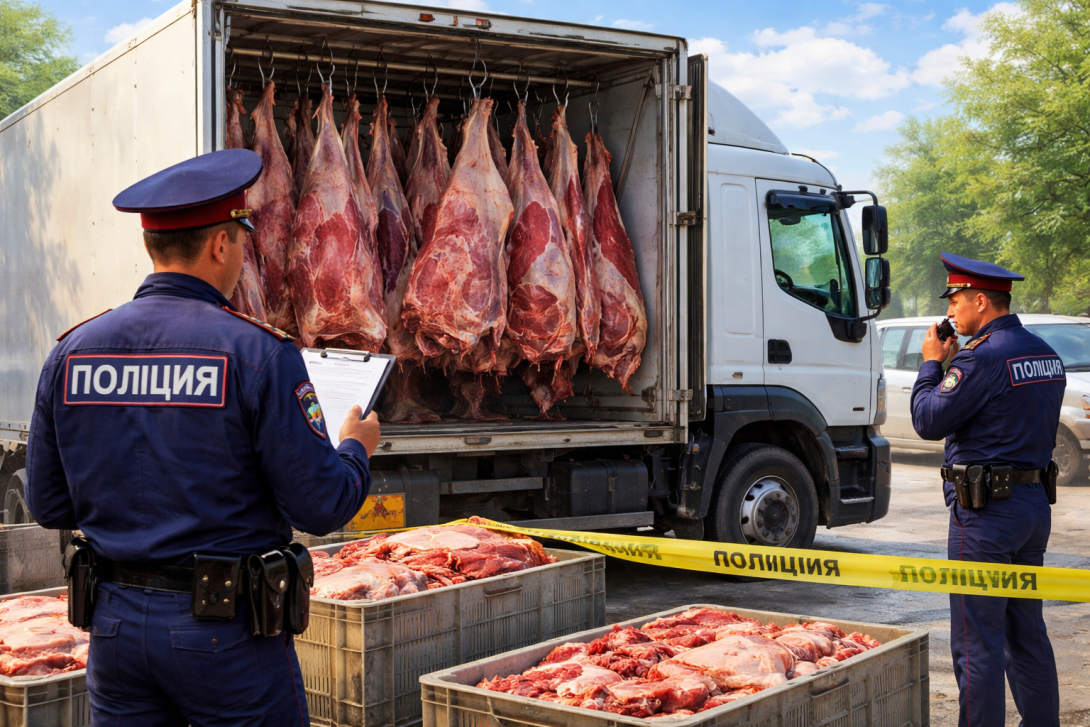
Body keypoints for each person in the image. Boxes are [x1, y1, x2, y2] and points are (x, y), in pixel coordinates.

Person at [24, 149, 381, 726]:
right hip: (224, 638)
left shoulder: (73, 352)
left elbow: (47, 504)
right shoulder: (258, 352)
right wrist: (355, 447)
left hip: (114, 632)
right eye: (241, 238)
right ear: (221, 245)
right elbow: (319, 505)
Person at [911, 252, 1063, 727]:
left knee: (977, 644)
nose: (951, 312)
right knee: (1027, 633)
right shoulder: (1045, 354)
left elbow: (928, 420)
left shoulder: (982, 358)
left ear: (981, 299)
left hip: (985, 517)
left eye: (955, 300)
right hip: (1032, 508)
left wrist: (933, 365)